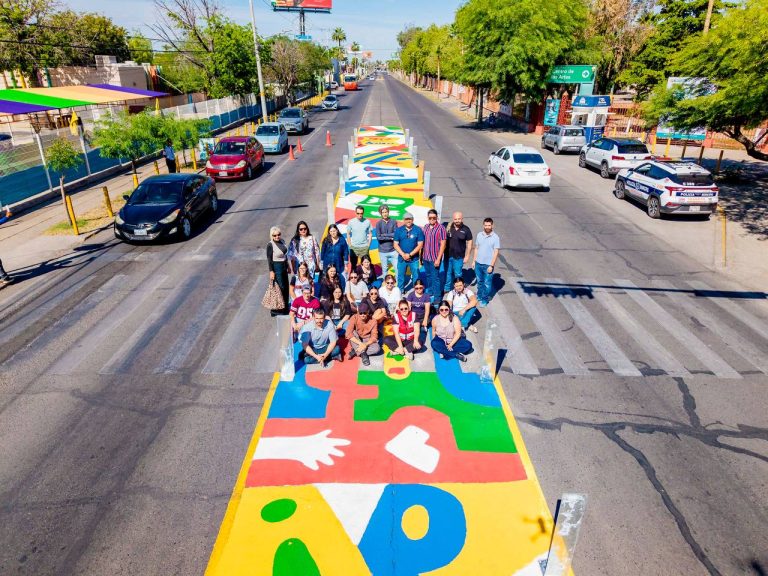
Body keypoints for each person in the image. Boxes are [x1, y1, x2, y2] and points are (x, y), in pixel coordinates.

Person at [473, 217, 501, 307]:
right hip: (478, 263)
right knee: (479, 281)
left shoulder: (495, 237)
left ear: (492, 226)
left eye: (489, 225)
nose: (487, 227)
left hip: (488, 265)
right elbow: (476, 248)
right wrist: (474, 261)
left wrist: (491, 265)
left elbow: (496, 252)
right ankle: (479, 295)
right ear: (483, 225)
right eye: (486, 225)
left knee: (487, 283)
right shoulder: (479, 235)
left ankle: (484, 299)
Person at [393, 212, 424, 292]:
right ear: (403, 220)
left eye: (410, 219)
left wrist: (410, 255)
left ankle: (416, 291)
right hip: (402, 258)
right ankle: (400, 291)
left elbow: (420, 245)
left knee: (416, 276)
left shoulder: (418, 230)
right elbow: (395, 244)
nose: (408, 221)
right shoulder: (399, 230)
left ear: (412, 220)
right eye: (406, 219)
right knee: (400, 276)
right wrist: (403, 254)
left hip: (414, 259)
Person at [443, 212, 473, 293]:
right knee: (447, 272)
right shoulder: (448, 227)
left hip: (459, 257)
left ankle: (459, 289)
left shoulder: (466, 229)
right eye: (455, 219)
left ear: (462, 219)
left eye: (459, 219)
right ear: (453, 219)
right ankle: (447, 288)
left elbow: (470, 242)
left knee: (458, 274)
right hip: (448, 255)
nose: (457, 221)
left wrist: (467, 256)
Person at [421, 208, 446, 303]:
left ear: (437, 217)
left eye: (434, 218)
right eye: (430, 218)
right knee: (428, 275)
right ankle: (430, 291)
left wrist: (438, 259)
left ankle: (437, 298)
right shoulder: (426, 227)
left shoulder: (441, 228)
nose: (432, 219)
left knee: (435, 278)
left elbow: (443, 245)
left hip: (435, 258)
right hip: (426, 257)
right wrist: (421, 256)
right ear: (427, 218)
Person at [266, 226, 289, 315]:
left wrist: (288, 265)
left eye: (278, 234)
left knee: (286, 287)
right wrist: (271, 271)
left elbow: (285, 255)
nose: (277, 237)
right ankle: (278, 309)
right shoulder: (270, 244)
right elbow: (269, 259)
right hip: (277, 267)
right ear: (271, 236)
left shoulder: (282, 241)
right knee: (279, 288)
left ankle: (285, 307)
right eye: (274, 235)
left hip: (284, 266)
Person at [374, 204, 398, 277]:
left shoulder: (393, 222)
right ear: (380, 213)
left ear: (388, 212)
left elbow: (396, 234)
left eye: (386, 212)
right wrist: (390, 237)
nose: (385, 214)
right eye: (383, 212)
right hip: (382, 251)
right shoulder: (378, 224)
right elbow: (379, 237)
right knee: (384, 270)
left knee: (397, 268)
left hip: (393, 250)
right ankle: (385, 283)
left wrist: (384, 235)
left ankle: (398, 283)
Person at [347, 205, 372, 269]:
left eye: (361, 213)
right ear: (355, 213)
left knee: (366, 266)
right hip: (354, 247)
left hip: (364, 247)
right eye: (358, 213)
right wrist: (350, 245)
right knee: (353, 266)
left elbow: (370, 234)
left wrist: (368, 245)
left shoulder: (367, 222)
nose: (360, 215)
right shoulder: (351, 222)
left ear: (363, 213)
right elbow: (348, 234)